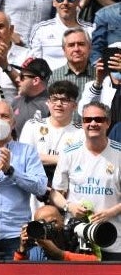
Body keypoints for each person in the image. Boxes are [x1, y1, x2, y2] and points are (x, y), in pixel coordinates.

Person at [0, 101, 47, 260]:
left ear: (13, 123)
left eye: (5, 116)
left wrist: (11, 171)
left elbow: (41, 187)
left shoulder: (27, 152)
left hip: (16, 234)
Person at [50, 102, 121, 261]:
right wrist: (70, 206)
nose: (93, 123)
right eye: (88, 119)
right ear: (82, 123)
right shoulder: (69, 154)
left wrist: (110, 212)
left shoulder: (119, 154)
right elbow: (55, 193)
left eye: (98, 119)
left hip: (113, 238)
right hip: (77, 238)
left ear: (108, 123)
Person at [28, 0, 94, 70]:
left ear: (78, 2)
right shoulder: (41, 30)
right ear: (54, 2)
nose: (65, 2)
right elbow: (34, 65)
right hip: (50, 82)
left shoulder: (91, 30)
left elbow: (95, 62)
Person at [15, 204, 99, 261]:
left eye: (53, 222)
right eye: (42, 224)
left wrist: (60, 254)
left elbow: (94, 262)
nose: (50, 227)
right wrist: (21, 250)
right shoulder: (36, 250)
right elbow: (16, 273)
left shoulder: (73, 235)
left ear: (62, 219)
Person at [11, 57, 52, 138]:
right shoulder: (16, 101)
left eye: (22, 76)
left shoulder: (52, 106)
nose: (17, 79)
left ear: (36, 80)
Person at [50, 27, 95, 93]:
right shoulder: (53, 77)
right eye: (71, 45)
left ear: (89, 48)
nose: (76, 49)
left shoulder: (100, 76)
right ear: (64, 50)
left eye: (81, 44)